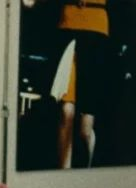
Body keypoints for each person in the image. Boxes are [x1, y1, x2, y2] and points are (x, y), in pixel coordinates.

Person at [24, 0, 110, 168]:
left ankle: (86, 172)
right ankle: (63, 172)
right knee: (66, 110)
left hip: (96, 31)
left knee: (85, 129)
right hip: (68, 27)